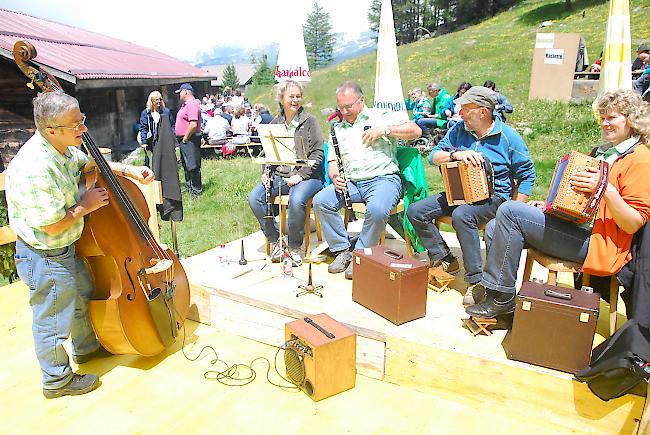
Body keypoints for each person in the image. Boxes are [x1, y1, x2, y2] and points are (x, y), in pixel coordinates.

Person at [6, 92, 154, 399]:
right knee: (53, 318)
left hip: (66, 247)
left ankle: (87, 349)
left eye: (82, 120)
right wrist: (84, 207)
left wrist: (127, 171)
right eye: (76, 124)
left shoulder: (63, 148)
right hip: (44, 254)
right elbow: (49, 224)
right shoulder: (35, 167)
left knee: (82, 297)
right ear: (51, 130)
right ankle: (56, 380)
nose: (83, 129)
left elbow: (91, 164)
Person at [466, 89, 650, 318]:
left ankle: (500, 297)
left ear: (631, 118)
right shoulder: (602, 153)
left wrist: (605, 188)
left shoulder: (641, 159)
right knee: (495, 226)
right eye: (602, 118)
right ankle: (504, 302)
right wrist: (549, 207)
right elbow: (580, 202)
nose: (604, 123)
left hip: (600, 244)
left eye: (612, 117)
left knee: (510, 211)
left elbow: (633, 223)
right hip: (577, 229)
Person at [406, 86, 535, 302]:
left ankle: (476, 280)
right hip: (459, 192)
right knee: (416, 211)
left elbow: (527, 174)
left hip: (494, 198)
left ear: (483, 112)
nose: (461, 113)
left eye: (466, 109)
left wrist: (513, 210)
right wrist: (456, 154)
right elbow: (434, 156)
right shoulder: (459, 130)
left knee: (462, 215)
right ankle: (445, 257)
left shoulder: (508, 138)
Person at [312, 81, 422, 279]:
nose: (344, 112)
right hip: (353, 182)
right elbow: (333, 161)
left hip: (384, 179)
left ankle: (361, 254)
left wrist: (385, 130)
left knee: (378, 210)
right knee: (321, 202)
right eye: (340, 108)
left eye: (348, 107)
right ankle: (342, 249)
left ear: (361, 100)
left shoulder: (380, 115)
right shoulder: (337, 128)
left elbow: (416, 130)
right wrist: (335, 176)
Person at [247, 80, 324, 265]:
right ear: (282, 99)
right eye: (291, 96)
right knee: (254, 198)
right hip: (282, 175)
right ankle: (276, 241)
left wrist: (300, 175)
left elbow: (318, 153)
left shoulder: (310, 121)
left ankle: (295, 246)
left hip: (308, 177)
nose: (295, 100)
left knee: (297, 200)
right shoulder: (275, 122)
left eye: (298, 96)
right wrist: (266, 172)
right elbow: (269, 153)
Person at [174, 83, 203, 197]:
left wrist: (185, 138)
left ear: (185, 92)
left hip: (190, 139)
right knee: (186, 165)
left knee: (193, 165)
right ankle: (189, 187)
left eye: (180, 93)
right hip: (185, 139)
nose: (179, 95)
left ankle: (196, 190)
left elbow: (193, 124)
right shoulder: (185, 105)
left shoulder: (192, 105)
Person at [138, 90, 174, 168]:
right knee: (151, 162)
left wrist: (172, 140)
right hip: (151, 141)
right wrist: (144, 141)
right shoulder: (146, 113)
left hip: (164, 140)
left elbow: (171, 126)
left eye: (160, 99)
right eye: (156, 100)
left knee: (164, 161)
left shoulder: (166, 112)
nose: (159, 101)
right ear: (151, 101)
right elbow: (143, 127)